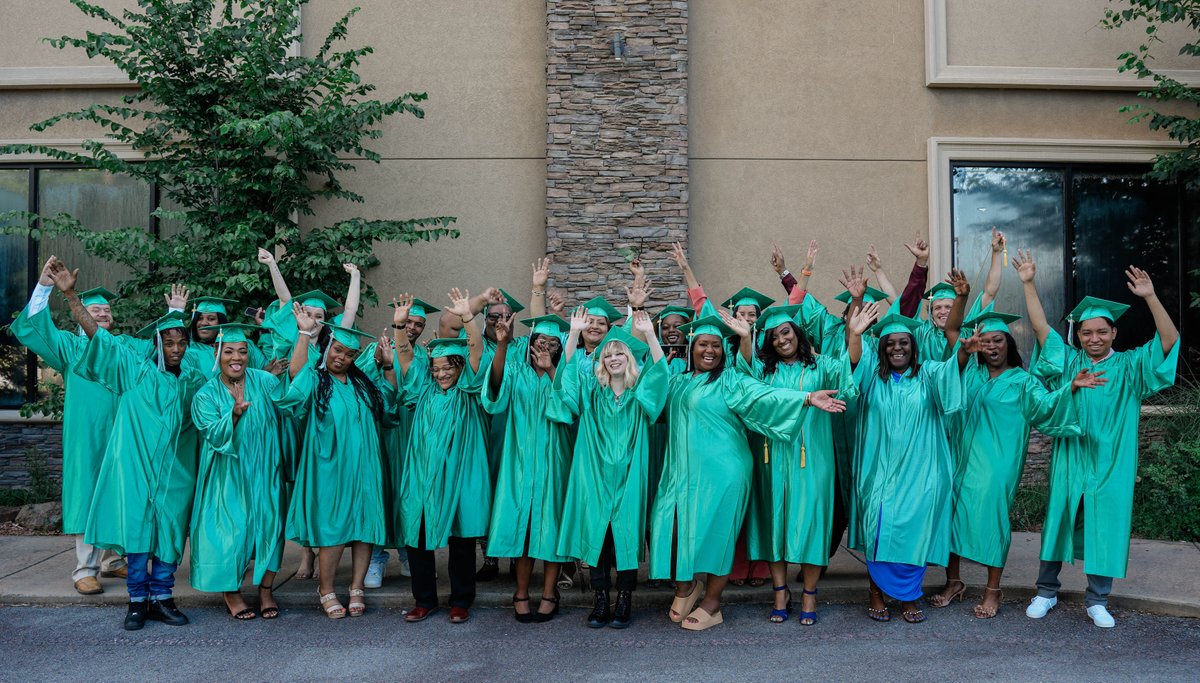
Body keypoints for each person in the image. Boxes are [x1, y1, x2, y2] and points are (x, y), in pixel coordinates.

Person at [648, 304, 846, 631]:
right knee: (668, 528)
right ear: (691, 347)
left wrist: (807, 398)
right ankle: (687, 587)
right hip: (680, 472)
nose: (709, 350)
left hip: (726, 472)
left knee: (718, 536)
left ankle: (712, 604)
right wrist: (644, 331)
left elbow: (764, 396)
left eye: (715, 345)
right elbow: (652, 392)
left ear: (723, 350)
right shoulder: (678, 381)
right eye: (702, 344)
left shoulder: (731, 380)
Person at [1015, 252, 1180, 628]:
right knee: (1058, 519)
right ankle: (1045, 592)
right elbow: (1041, 329)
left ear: (1114, 334)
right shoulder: (1070, 362)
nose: (1093, 338)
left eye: (1101, 332)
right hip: (1071, 458)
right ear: (1080, 336)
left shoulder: (1129, 367)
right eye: (1087, 332)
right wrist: (1027, 283)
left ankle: (1097, 600)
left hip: (1111, 461)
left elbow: (1169, 343)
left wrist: (1151, 297)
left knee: (1105, 523)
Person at [46, 258, 207, 631]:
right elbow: (98, 338)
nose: (176, 349)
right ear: (156, 345)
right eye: (169, 342)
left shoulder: (193, 378)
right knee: (136, 537)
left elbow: (222, 385)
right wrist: (71, 297)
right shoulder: (134, 371)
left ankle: (163, 598)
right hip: (135, 471)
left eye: (181, 342)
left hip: (175, 474)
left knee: (168, 535)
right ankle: (137, 602)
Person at [928, 297, 1101, 619]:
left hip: (998, 463)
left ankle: (993, 589)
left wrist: (1072, 389)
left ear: (1008, 344)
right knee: (951, 516)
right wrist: (965, 342)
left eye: (998, 341)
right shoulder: (970, 373)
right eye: (986, 342)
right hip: (959, 457)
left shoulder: (1024, 382)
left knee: (992, 518)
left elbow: (1047, 406)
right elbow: (952, 341)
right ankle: (954, 582)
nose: (992, 347)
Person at [9, 258, 130, 594]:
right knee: (89, 493)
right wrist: (45, 286)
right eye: (96, 310)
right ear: (80, 315)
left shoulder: (122, 348)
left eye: (107, 310)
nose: (103, 314)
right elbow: (34, 326)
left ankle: (113, 560)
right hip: (86, 436)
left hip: (121, 434)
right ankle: (84, 569)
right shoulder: (70, 346)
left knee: (119, 491)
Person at [846, 289, 962, 625]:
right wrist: (855, 333)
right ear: (881, 348)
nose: (897, 348)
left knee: (915, 531)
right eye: (890, 343)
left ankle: (910, 597)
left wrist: (964, 350)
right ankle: (876, 593)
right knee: (878, 530)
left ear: (914, 347)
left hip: (920, 472)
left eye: (904, 343)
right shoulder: (871, 375)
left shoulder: (928, 375)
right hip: (878, 472)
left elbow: (955, 367)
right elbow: (854, 362)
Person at [739, 303, 857, 625]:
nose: (781, 340)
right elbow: (744, 376)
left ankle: (808, 593)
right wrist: (743, 337)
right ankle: (780, 591)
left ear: (797, 333)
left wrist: (854, 334)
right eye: (774, 336)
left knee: (811, 524)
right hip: (772, 458)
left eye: (786, 332)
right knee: (774, 524)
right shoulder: (766, 370)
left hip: (814, 459)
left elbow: (850, 372)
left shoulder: (821, 365)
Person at [553, 309, 669, 628]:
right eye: (608, 354)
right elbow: (566, 376)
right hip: (594, 476)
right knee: (600, 537)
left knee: (626, 536)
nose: (614, 357)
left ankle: (624, 600)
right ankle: (601, 599)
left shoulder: (639, 394)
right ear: (601, 361)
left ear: (629, 359)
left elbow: (661, 375)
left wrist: (651, 336)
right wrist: (574, 334)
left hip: (630, 476)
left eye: (620, 352)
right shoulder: (592, 392)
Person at [276, 304, 393, 619]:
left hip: (365, 468)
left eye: (350, 354)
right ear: (327, 347)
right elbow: (294, 382)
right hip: (330, 469)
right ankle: (326, 589)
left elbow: (390, 410)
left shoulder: (362, 385)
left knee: (365, 527)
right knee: (333, 530)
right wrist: (303, 333)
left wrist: (389, 366)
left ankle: (356, 587)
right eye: (337, 350)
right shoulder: (315, 380)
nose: (341, 357)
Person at [393, 291, 490, 624]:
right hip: (423, 473)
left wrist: (468, 318)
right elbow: (404, 355)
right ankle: (424, 600)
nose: (441, 374)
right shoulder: (422, 387)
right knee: (419, 535)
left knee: (461, 538)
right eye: (436, 368)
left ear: (459, 367)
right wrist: (398, 326)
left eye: (447, 367)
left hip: (460, 473)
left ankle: (461, 600)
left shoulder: (470, 388)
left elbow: (475, 350)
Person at [189, 323, 286, 621]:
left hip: (265, 470)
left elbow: (289, 404)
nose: (237, 357)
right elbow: (210, 434)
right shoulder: (205, 395)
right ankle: (231, 592)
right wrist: (232, 415)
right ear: (218, 355)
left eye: (242, 351)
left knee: (271, 528)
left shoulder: (265, 382)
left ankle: (266, 590)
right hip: (227, 473)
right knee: (231, 532)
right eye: (229, 351)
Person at [483, 312, 573, 622]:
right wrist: (502, 345)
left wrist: (551, 372)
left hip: (553, 461)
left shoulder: (565, 373)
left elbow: (569, 410)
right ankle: (521, 592)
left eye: (552, 342)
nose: (545, 346)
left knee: (551, 528)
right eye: (539, 341)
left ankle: (549, 593)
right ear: (530, 343)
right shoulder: (515, 370)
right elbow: (494, 393)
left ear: (559, 348)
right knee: (522, 530)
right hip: (518, 461)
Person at [361, 297, 436, 588]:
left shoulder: (426, 356)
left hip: (413, 435)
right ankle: (376, 557)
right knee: (382, 491)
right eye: (409, 322)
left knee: (409, 492)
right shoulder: (377, 349)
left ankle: (407, 552)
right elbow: (358, 382)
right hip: (382, 433)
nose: (414, 328)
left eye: (419, 324)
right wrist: (378, 361)